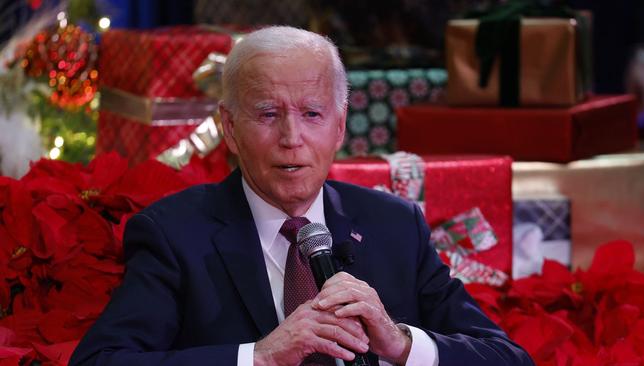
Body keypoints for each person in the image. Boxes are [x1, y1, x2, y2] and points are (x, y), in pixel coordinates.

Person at [69, 26, 533, 366]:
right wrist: (260, 357)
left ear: (340, 126)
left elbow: (508, 358)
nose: (291, 137)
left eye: (312, 113)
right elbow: (100, 362)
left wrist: (399, 343)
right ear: (229, 128)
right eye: (268, 113)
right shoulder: (174, 234)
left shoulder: (396, 225)